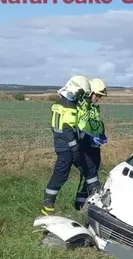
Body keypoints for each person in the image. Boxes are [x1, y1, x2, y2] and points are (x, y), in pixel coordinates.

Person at [41, 75, 101, 216]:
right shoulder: (70, 106)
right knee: (61, 174)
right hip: (67, 147)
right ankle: (47, 206)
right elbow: (68, 128)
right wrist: (75, 148)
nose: (81, 97)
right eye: (81, 94)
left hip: (61, 144)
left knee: (88, 170)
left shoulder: (59, 103)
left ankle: (91, 197)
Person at [75, 77, 108, 204]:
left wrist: (101, 135)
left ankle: (80, 204)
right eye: (97, 95)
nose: (98, 98)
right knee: (91, 174)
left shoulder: (93, 107)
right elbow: (80, 125)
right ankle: (94, 201)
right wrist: (89, 137)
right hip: (83, 145)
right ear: (90, 92)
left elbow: (94, 124)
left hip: (94, 146)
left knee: (91, 172)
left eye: (100, 96)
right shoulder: (81, 105)